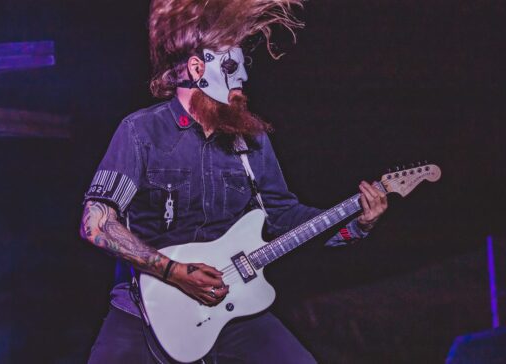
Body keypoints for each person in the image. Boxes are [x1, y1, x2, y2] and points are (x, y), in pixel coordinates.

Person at [80, 1, 388, 362]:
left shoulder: (250, 140)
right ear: (198, 68)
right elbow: (96, 220)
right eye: (231, 67)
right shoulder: (141, 131)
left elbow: (283, 215)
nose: (241, 82)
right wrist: (173, 272)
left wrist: (355, 225)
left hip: (232, 306)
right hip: (146, 309)